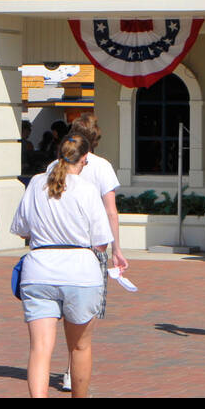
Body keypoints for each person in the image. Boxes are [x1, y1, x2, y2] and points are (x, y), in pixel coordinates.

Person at [10, 134, 112, 398]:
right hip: (80, 271)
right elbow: (101, 241)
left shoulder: (35, 184)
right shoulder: (87, 189)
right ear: (84, 160)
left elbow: (21, 228)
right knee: (79, 347)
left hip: (40, 269)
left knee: (40, 349)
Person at [47, 113, 129, 392]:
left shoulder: (53, 166)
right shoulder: (102, 166)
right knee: (83, 317)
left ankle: (69, 367)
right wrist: (117, 248)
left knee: (57, 314)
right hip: (92, 248)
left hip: (54, 248)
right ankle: (73, 370)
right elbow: (111, 211)